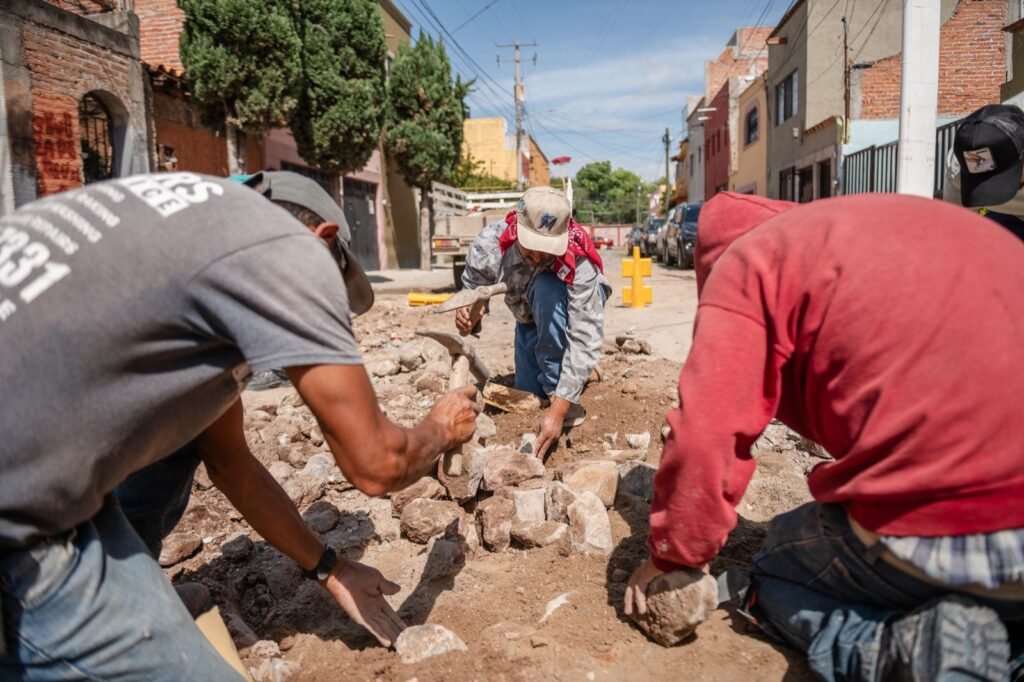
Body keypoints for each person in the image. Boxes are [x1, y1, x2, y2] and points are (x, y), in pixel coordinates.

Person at [0, 171, 480, 680]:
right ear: (325, 240)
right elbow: (378, 467)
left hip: (30, 448)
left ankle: (131, 591)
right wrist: (440, 429)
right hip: (18, 501)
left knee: (183, 433)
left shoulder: (192, 231)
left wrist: (331, 569)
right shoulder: (287, 247)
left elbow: (231, 465)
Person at [624, 192, 1024, 681]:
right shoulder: (872, 229)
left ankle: (903, 655)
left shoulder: (750, 262)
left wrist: (673, 556)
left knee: (773, 563)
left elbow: (707, 434)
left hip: (966, 518)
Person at [458, 186, 612, 459]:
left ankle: (558, 389)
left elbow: (584, 334)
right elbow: (471, 292)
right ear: (518, 229)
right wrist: (469, 315)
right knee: (530, 393)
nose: (539, 259)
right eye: (531, 252)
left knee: (546, 286)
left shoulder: (579, 258)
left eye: (547, 251)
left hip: (559, 302)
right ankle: (580, 374)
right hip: (528, 316)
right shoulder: (490, 244)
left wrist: (559, 410)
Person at [942, 103, 1024, 240]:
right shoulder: (957, 173)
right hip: (1006, 220)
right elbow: (956, 233)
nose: (996, 191)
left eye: (1003, 182)